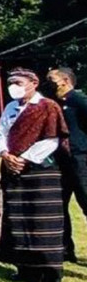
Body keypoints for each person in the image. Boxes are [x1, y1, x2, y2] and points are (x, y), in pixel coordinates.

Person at [0, 69, 68, 282]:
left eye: (17, 82)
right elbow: (1, 134)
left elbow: (52, 138)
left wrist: (25, 158)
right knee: (19, 220)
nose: (13, 86)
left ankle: (49, 272)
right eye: (10, 82)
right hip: (13, 169)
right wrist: (5, 154)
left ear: (33, 83)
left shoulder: (48, 106)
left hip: (41, 170)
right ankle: (24, 269)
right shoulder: (10, 108)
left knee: (43, 222)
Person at [45, 67, 87, 262]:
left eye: (52, 79)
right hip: (60, 161)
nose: (48, 82)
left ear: (65, 80)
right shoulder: (55, 103)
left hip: (80, 159)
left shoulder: (78, 100)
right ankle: (65, 249)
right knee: (59, 206)